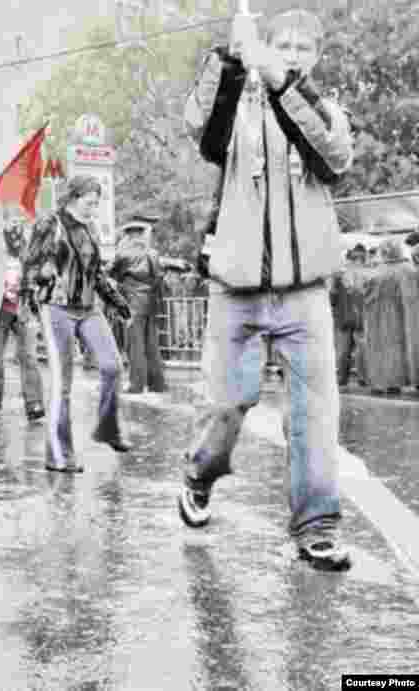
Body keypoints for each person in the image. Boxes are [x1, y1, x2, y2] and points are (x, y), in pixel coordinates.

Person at [180, 9, 354, 570]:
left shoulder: (324, 107)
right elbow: (201, 131)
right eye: (285, 43)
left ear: (317, 56)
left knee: (314, 414)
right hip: (236, 290)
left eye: (306, 46)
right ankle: (200, 476)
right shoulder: (236, 105)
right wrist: (231, 58)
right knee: (225, 408)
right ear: (266, 45)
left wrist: (282, 82)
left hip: (305, 292)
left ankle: (316, 526)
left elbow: (334, 157)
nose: (296, 51)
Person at [24, 175, 133, 473]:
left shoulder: (92, 229)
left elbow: (96, 274)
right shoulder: (51, 223)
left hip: (87, 308)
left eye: (97, 203)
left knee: (112, 366)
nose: (93, 208)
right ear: (73, 197)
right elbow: (30, 263)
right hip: (56, 307)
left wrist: (117, 301)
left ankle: (108, 428)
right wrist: (41, 276)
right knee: (63, 384)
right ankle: (59, 455)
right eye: (89, 202)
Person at [0, 221, 45, 422]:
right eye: (12, 220)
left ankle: (34, 404)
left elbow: (40, 276)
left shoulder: (31, 247)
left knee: (29, 357)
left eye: (20, 220)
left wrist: (35, 292)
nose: (16, 225)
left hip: (24, 308)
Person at [110, 218, 168, 393]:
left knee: (135, 345)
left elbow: (113, 274)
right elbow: (159, 277)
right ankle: (157, 383)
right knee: (152, 344)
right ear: (141, 234)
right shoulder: (153, 254)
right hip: (150, 303)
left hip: (132, 302)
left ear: (128, 235)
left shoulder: (123, 255)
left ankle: (136, 384)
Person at [361, 238, 412, 394]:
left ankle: (378, 383)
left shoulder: (376, 272)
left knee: (377, 349)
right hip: (400, 315)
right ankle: (394, 383)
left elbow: (364, 293)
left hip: (375, 315)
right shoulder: (408, 270)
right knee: (396, 348)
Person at [329, 243, 367, 388]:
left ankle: (341, 378)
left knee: (342, 350)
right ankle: (364, 378)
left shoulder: (338, 275)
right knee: (362, 349)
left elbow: (332, 297)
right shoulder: (367, 274)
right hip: (361, 317)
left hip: (342, 317)